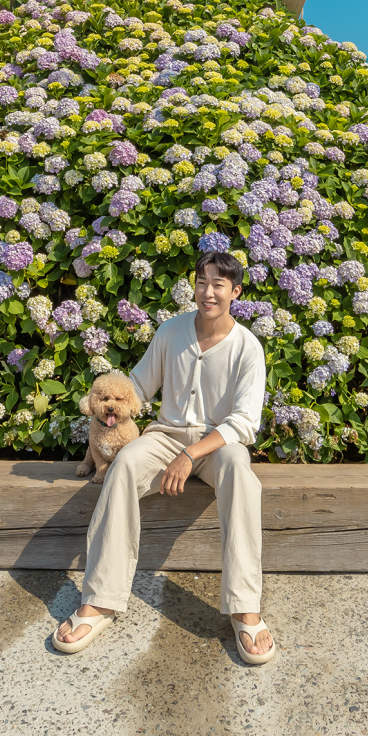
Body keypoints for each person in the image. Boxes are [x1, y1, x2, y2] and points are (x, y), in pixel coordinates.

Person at [54, 251, 275, 663]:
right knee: (124, 467)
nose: (208, 292)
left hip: (219, 444)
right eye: (202, 282)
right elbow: (138, 385)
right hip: (166, 435)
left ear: (236, 292)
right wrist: (106, 407)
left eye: (219, 285)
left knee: (243, 478)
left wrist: (191, 455)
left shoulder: (248, 348)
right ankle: (100, 598)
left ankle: (245, 605)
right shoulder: (170, 332)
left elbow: (245, 423)